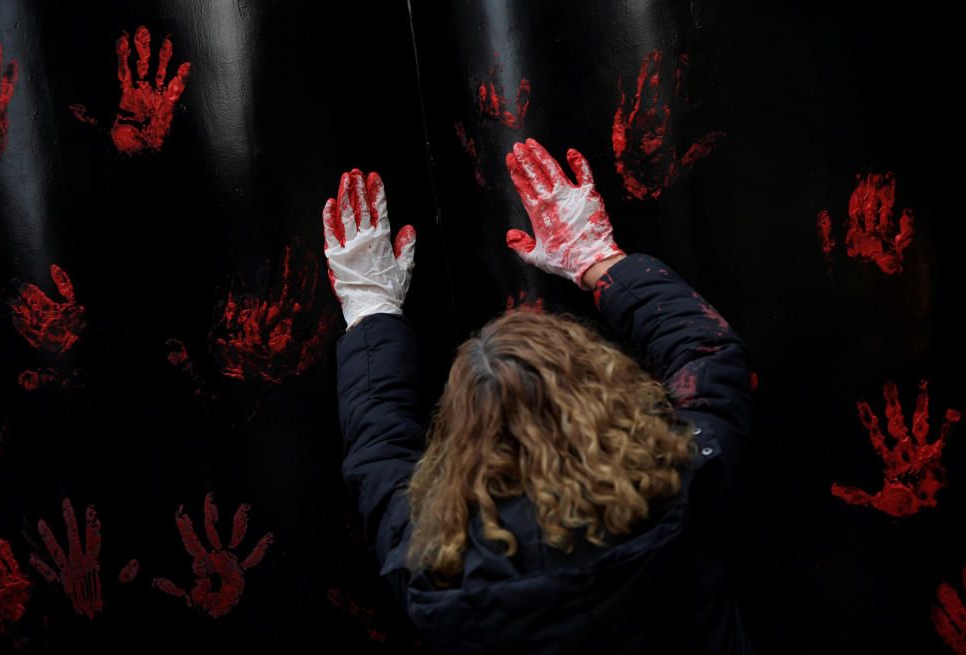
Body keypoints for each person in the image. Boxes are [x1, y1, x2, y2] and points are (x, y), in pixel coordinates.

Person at [322, 138, 754, 654]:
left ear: (459, 432)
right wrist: (600, 261)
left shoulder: (429, 564)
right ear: (602, 392)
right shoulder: (683, 482)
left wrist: (371, 313)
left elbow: (378, 450)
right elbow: (709, 354)